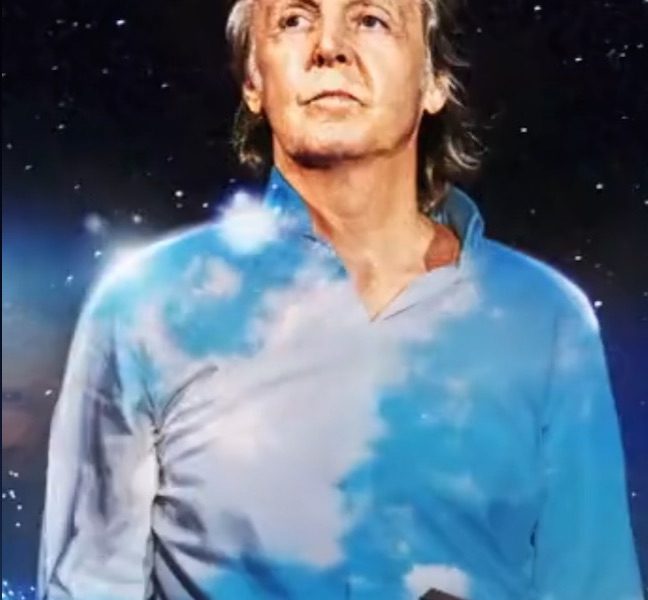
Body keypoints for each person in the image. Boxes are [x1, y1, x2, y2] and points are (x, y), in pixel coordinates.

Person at [37, 0, 642, 598]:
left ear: (433, 81)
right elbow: (88, 584)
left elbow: (594, 583)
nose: (329, 48)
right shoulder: (148, 308)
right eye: (294, 20)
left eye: (371, 19)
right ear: (253, 81)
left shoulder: (545, 318)